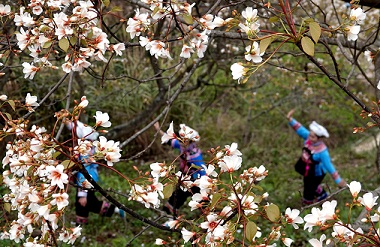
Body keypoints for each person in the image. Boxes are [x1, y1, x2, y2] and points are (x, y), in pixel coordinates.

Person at [66, 120, 125, 225]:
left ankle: (80, 224)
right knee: (91, 201)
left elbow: (85, 169)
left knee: (83, 202)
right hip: (91, 179)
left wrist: (82, 192)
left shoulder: (85, 148)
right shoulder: (90, 147)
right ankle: (115, 210)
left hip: (85, 181)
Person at [286, 109, 347, 205]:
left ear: (319, 138)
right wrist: (291, 119)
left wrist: (338, 180)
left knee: (308, 188)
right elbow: (300, 129)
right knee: (309, 183)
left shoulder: (322, 151)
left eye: (313, 137)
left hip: (316, 173)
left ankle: (308, 203)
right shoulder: (308, 138)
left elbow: (329, 166)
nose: (310, 137)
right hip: (306, 168)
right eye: (310, 135)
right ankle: (320, 193)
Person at [154, 121, 207, 216]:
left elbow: (203, 170)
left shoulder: (194, 155)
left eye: (184, 140)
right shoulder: (183, 146)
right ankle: (169, 214)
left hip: (195, 181)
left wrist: (207, 183)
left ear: (191, 141)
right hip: (184, 177)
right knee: (177, 196)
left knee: (202, 200)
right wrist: (158, 130)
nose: (181, 141)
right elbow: (169, 140)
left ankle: (209, 215)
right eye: (180, 139)